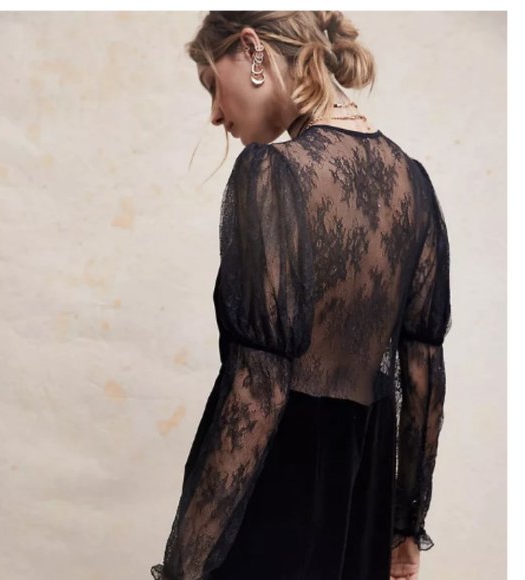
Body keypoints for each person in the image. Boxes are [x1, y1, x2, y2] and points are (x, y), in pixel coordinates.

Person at [151, 11, 452, 580]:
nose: (215, 112)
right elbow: (422, 374)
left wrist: (186, 562)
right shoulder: (413, 182)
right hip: (361, 508)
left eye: (213, 84)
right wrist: (404, 527)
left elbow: (257, 387)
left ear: (252, 50)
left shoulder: (272, 175)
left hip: (274, 498)